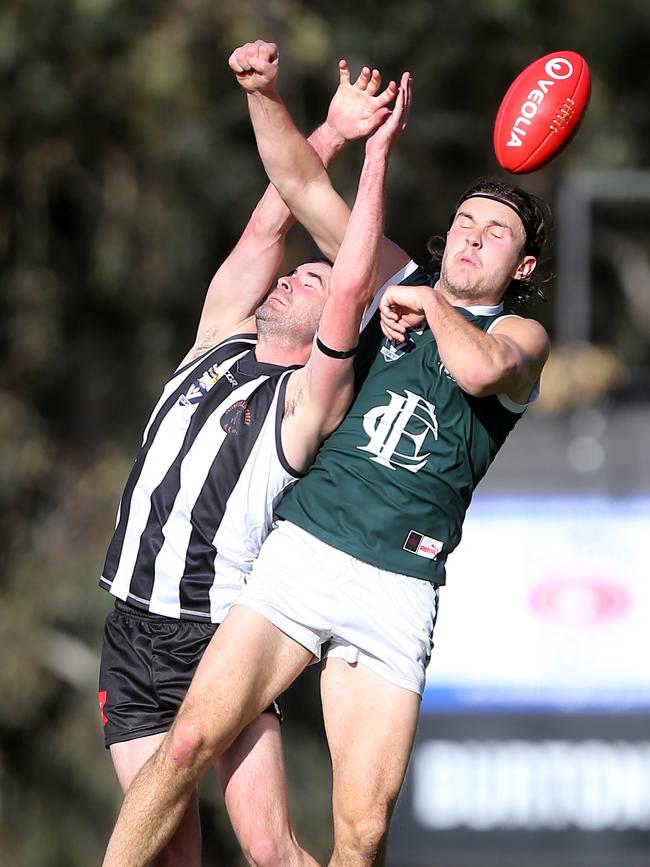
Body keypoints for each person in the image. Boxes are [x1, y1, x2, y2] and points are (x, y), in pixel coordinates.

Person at [102, 40, 550, 867]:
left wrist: (422, 298)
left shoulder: (518, 332)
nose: (473, 239)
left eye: (497, 235)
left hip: (398, 584)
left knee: (363, 831)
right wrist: (265, 95)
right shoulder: (394, 278)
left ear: (521, 267)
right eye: (465, 222)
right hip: (305, 551)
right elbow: (300, 184)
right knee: (190, 738)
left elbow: (483, 369)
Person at [98, 41, 411, 867]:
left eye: (305, 282)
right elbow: (270, 218)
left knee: (270, 846)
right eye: (289, 277)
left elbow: (351, 281)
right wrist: (329, 129)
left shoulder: (310, 398)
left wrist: (361, 167)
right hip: (130, 629)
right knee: (171, 852)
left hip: (215, 635)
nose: (286, 281)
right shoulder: (217, 338)